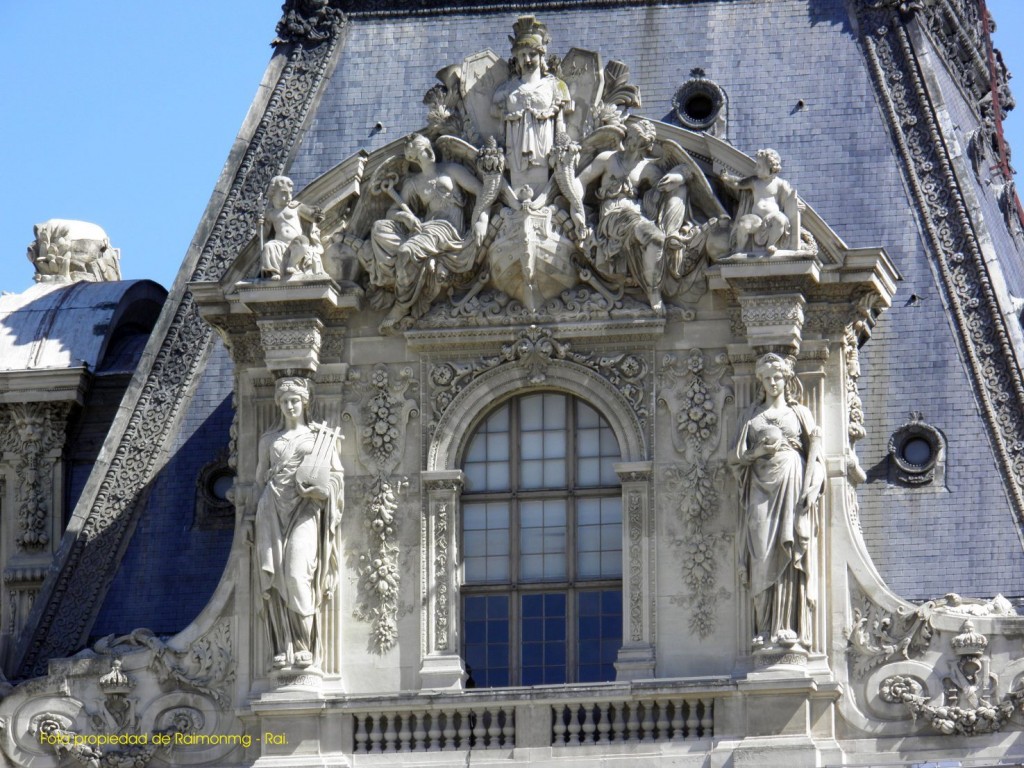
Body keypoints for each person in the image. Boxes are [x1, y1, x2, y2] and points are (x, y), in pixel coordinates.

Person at [730, 353, 825, 649]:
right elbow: (734, 458)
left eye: (778, 377)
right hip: (759, 486)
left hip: (791, 479)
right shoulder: (751, 416)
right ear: (760, 381)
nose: (773, 383)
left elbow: (817, 458)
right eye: (767, 378)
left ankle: (785, 626)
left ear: (786, 379)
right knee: (760, 552)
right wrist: (757, 453)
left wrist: (812, 488)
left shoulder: (800, 414)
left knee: (788, 547)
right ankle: (764, 627)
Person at [255, 377, 343, 670]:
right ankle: (284, 646)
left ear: (305, 402)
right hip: (271, 510)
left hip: (306, 510)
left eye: (294, 400)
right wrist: (247, 520)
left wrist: (320, 490)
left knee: (295, 575)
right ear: (278, 404)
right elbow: (257, 481)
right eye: (284, 401)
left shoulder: (320, 438)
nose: (290, 406)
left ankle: (305, 645)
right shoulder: (268, 440)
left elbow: (336, 479)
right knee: (276, 581)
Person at [367, 134, 487, 331]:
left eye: (424, 149)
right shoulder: (413, 183)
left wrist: (482, 220)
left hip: (447, 230)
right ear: (412, 159)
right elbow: (391, 213)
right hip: (427, 229)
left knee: (406, 251)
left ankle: (402, 304)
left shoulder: (451, 170)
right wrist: (405, 217)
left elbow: (481, 190)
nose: (426, 154)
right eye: (417, 154)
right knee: (379, 228)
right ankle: (412, 266)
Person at [576, 119, 678, 311]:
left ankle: (653, 290)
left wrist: (680, 176)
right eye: (631, 138)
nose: (632, 145)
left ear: (645, 146)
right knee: (651, 235)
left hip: (636, 215)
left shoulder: (647, 169)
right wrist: (577, 208)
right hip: (613, 215)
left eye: (639, 143)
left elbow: (670, 186)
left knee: (657, 239)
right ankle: (653, 292)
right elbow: (580, 181)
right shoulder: (608, 158)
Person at [491, 16, 572, 194]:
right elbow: (496, 118)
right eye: (522, 55)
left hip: (543, 152)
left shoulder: (555, 86)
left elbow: (560, 123)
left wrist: (563, 146)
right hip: (514, 153)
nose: (527, 59)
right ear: (517, 58)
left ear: (542, 55)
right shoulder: (506, 89)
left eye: (532, 54)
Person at [720, 148, 798, 255]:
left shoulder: (780, 184)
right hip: (756, 218)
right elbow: (738, 183)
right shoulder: (755, 181)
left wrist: (798, 205)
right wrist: (726, 178)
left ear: (770, 168)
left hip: (772, 218)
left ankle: (771, 244)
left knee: (781, 220)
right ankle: (739, 248)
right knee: (743, 224)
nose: (755, 169)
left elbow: (791, 197)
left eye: (759, 166)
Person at [259, 176, 325, 279]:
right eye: (284, 193)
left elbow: (313, 216)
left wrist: (316, 214)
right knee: (268, 247)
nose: (288, 197)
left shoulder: (295, 207)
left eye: (290, 193)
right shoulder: (270, 213)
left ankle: (292, 264)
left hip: (296, 241)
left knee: (303, 242)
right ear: (273, 194)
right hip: (280, 243)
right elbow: (264, 234)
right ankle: (274, 272)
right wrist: (259, 224)